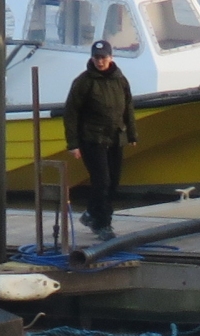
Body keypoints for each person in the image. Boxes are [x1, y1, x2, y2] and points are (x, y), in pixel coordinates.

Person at [64, 39, 137, 242]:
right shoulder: (84, 82)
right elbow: (71, 113)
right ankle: (103, 224)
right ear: (92, 59)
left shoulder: (120, 79)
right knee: (101, 181)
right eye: (96, 57)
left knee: (113, 182)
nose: (100, 61)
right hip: (92, 140)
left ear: (111, 57)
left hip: (115, 138)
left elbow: (128, 106)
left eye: (103, 57)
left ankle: (90, 214)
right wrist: (73, 144)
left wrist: (132, 133)